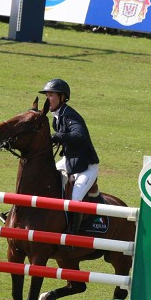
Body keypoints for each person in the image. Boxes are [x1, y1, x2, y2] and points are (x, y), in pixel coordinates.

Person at [39, 78, 100, 234]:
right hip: (69, 161)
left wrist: (60, 136)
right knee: (42, 177)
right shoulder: (57, 117)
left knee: (74, 199)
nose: (48, 99)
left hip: (85, 167)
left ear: (62, 97)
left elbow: (80, 135)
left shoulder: (69, 115)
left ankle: (72, 234)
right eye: (47, 95)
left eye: (51, 95)